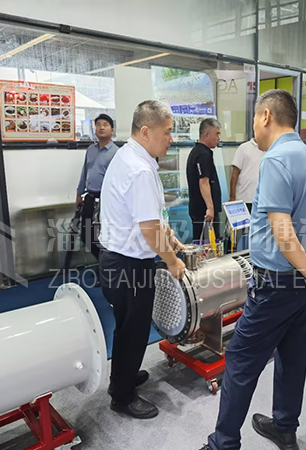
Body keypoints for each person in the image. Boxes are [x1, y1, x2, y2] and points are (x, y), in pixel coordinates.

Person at [201, 90, 306, 450]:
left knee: (240, 359)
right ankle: (284, 427)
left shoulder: (276, 160)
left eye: (254, 119)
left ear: (265, 116)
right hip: (299, 285)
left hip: (275, 284)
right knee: (292, 356)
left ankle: (223, 443)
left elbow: (282, 230)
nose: (253, 127)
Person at [99, 101, 186, 419]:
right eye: (168, 132)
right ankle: (122, 397)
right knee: (133, 329)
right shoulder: (139, 169)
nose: (171, 139)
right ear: (146, 131)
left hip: (117, 259)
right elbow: (148, 229)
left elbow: (148, 217)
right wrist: (173, 261)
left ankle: (123, 375)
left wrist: (168, 236)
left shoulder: (131, 156)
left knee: (126, 326)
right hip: (129, 264)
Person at [76, 114, 118, 259]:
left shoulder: (117, 153)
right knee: (86, 235)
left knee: (105, 236)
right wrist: (79, 193)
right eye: (98, 124)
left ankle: (107, 265)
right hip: (89, 198)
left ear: (112, 130)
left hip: (107, 200)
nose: (101, 127)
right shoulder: (90, 150)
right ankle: (103, 263)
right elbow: (84, 172)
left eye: (105, 125)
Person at [187, 118, 222, 240]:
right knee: (207, 246)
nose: (219, 138)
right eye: (216, 134)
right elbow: (203, 182)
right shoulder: (202, 154)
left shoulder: (200, 152)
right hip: (204, 211)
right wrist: (210, 208)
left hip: (202, 210)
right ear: (207, 135)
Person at [229, 137, 264, 213]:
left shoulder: (271, 149)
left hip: (263, 201)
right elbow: (234, 174)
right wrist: (232, 197)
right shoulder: (243, 148)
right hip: (244, 199)